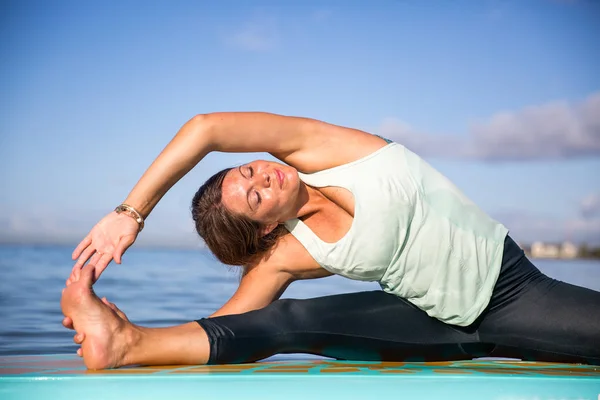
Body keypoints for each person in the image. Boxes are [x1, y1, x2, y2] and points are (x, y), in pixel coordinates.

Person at [61, 112, 600, 369]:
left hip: (512, 291)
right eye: (252, 197)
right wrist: (128, 328)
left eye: (249, 171)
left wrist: (130, 213)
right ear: (266, 227)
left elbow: (205, 128)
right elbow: (235, 328)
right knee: (282, 323)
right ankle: (126, 342)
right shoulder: (289, 254)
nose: (262, 178)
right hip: (435, 323)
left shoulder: (325, 150)